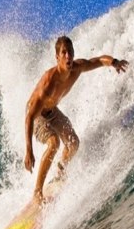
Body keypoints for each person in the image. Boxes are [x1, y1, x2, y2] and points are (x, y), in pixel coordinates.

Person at [24, 35, 128, 204]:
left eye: (70, 52)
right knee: (54, 143)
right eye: (64, 53)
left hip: (52, 111)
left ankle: (60, 171)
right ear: (57, 57)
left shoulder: (77, 68)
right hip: (36, 116)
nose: (68, 56)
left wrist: (114, 62)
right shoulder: (48, 84)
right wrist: (29, 150)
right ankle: (37, 192)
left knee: (73, 143)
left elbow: (98, 61)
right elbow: (29, 117)